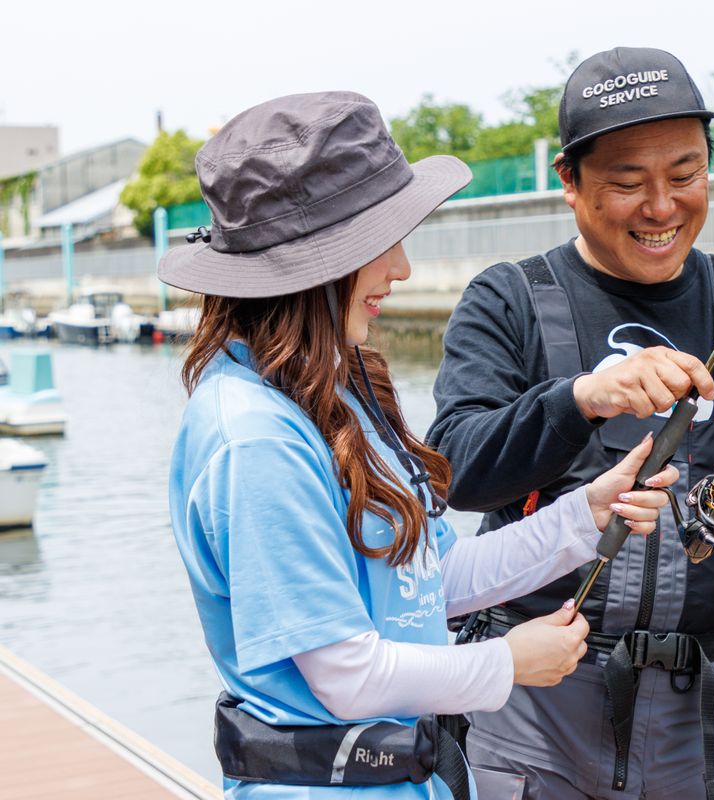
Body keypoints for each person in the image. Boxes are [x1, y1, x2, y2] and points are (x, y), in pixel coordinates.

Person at [160, 91, 678, 800]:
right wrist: (505, 664)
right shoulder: (255, 438)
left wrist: (586, 515)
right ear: (320, 262)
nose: (401, 269)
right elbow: (345, 676)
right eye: (382, 242)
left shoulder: (337, 393)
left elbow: (434, 580)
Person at [429, 48, 714, 799]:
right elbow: (453, 471)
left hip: (710, 705)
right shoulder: (507, 299)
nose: (662, 207)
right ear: (568, 181)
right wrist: (582, 399)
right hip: (533, 699)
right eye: (628, 184)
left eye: (686, 175)